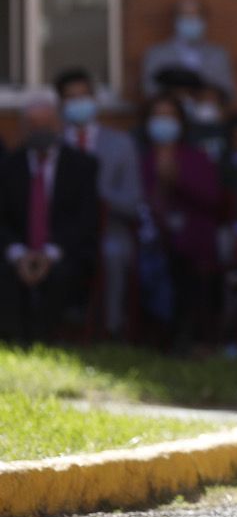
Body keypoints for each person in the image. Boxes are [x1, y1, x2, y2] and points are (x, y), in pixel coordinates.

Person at [0, 93, 101, 343]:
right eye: (32, 125)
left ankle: (47, 340)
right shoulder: (9, 165)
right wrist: (18, 254)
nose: (39, 130)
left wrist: (49, 254)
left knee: (61, 276)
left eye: (45, 124)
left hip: (64, 250)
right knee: (6, 275)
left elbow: (85, 220)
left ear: (58, 126)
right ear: (23, 129)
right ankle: (16, 342)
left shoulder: (82, 165)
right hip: (18, 249)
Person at [55, 68, 142, 338]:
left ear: (95, 99)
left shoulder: (121, 144)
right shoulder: (55, 145)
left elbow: (133, 202)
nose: (79, 103)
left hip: (109, 229)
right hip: (63, 231)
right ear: (61, 105)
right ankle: (57, 324)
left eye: (84, 96)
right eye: (71, 98)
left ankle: (112, 328)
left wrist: (96, 193)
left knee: (113, 254)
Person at [139, 92, 227, 351]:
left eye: (170, 116)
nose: (164, 121)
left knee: (184, 258)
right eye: (158, 115)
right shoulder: (141, 158)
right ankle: (156, 335)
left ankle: (184, 335)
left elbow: (213, 200)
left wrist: (178, 180)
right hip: (149, 235)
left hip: (192, 235)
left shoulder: (196, 158)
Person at [141, 0, 235, 99]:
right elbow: (149, 89)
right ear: (175, 20)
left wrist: (205, 94)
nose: (190, 21)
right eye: (185, 16)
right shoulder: (156, 53)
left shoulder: (218, 54)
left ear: (204, 20)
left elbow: (228, 91)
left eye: (195, 16)